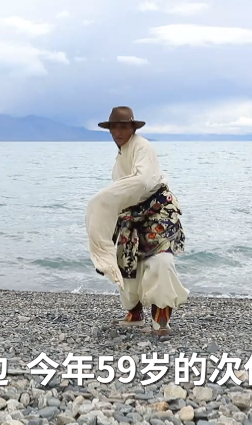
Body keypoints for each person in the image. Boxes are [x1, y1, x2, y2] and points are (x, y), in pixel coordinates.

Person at [85, 106, 190, 335]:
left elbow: (142, 182)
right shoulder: (122, 154)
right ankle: (134, 313)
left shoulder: (143, 147)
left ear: (133, 128)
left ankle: (161, 318)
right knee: (127, 261)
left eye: (123, 127)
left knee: (161, 260)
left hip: (157, 209)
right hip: (131, 213)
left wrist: (101, 199)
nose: (118, 132)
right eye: (114, 127)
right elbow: (123, 192)